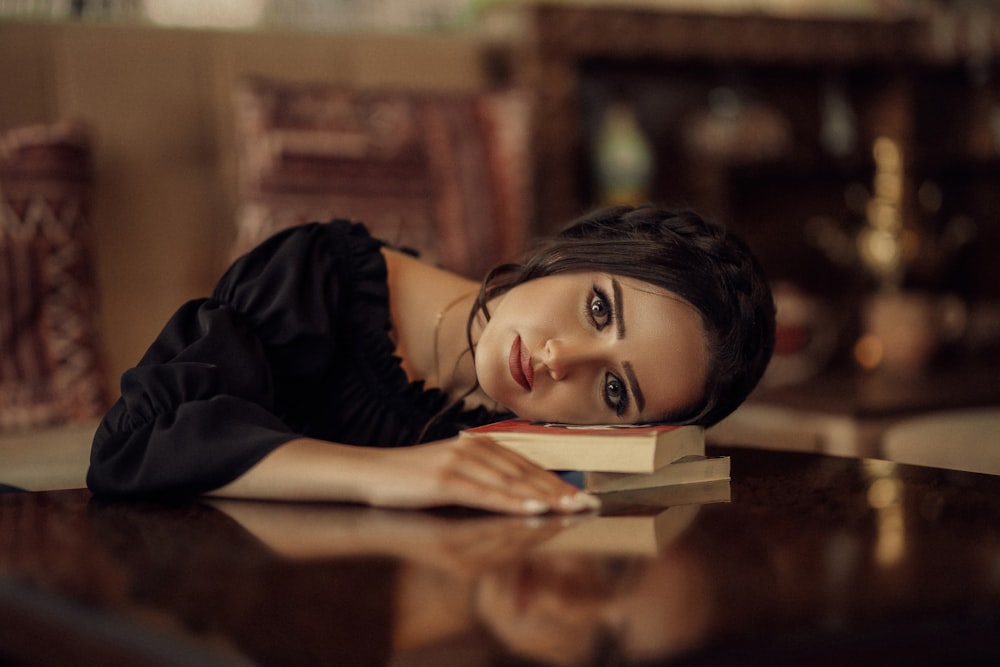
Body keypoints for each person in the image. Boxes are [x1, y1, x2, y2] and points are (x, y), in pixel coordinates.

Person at [88, 205, 775, 515]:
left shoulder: (531, 449)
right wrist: (386, 474)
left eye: (617, 391)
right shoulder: (317, 275)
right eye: (600, 307)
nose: (561, 360)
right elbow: (129, 442)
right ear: (585, 247)